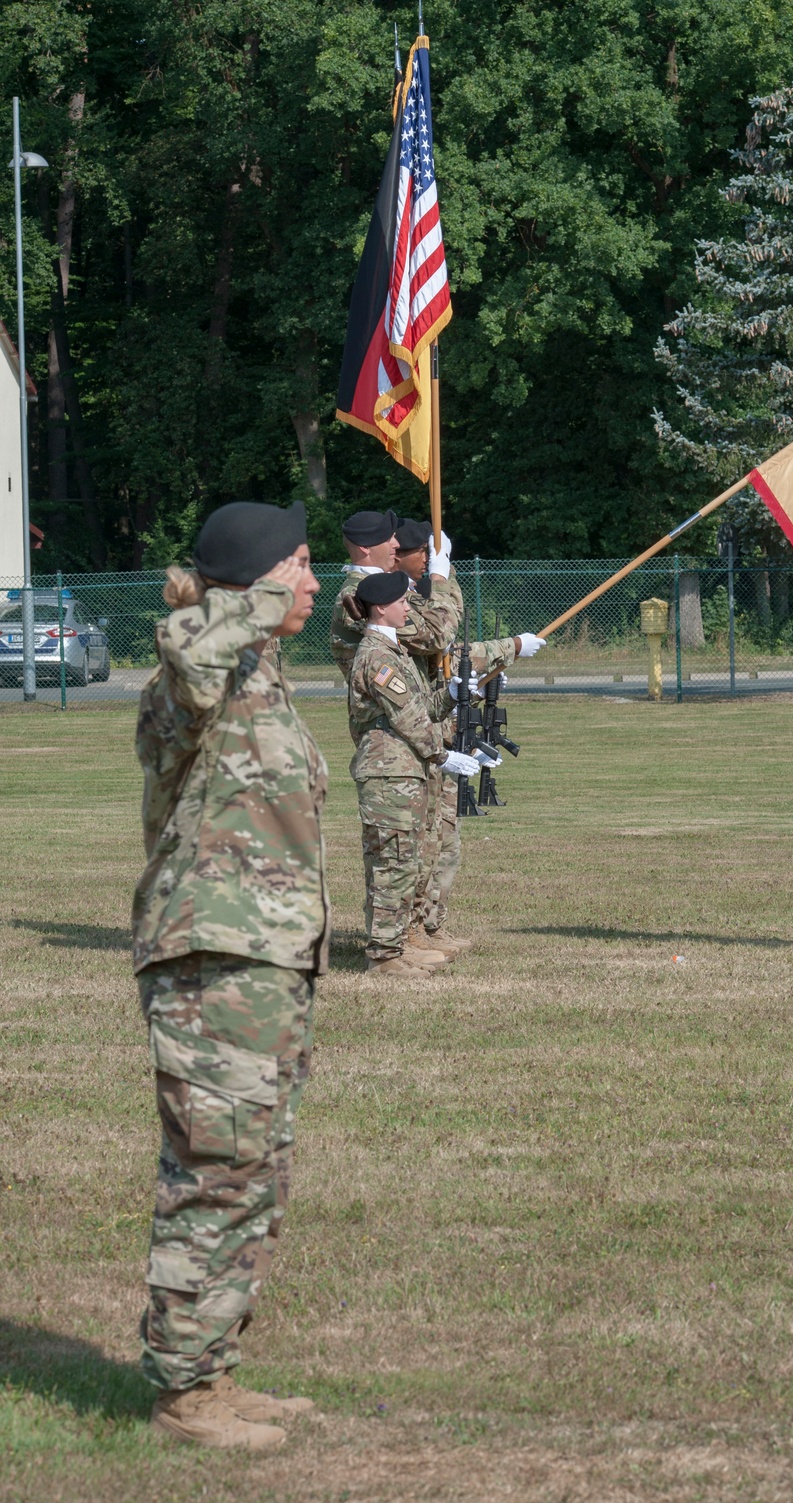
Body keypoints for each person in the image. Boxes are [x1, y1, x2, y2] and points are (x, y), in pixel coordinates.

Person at [132, 499, 331, 1452]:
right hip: (210, 961)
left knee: (254, 1173)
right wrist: (252, 604)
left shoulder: (262, 671)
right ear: (252, 580)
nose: (315, 580)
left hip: (265, 963)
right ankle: (182, 1394)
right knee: (213, 1173)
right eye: (299, 563)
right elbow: (191, 660)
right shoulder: (190, 669)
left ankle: (214, 1371)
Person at [393, 524, 546, 953]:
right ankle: (406, 935)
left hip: (438, 730)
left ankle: (429, 926)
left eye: (431, 554)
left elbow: (447, 648)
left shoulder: (412, 597)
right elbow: (439, 640)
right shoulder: (384, 600)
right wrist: (510, 645)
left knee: (445, 841)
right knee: (417, 848)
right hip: (412, 743)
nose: (426, 560)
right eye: (420, 553)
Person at [347, 569, 478, 976]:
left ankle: (400, 943)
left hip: (404, 771)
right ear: (382, 608)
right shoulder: (377, 658)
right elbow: (408, 719)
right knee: (395, 861)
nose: (409, 607)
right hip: (390, 774)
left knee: (410, 859)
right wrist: (441, 755)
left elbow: (421, 707)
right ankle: (385, 956)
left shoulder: (395, 653)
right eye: (403, 602)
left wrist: (452, 694)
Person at [329, 508, 456, 683]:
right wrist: (439, 577)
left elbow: (429, 656)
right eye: (389, 538)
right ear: (365, 547)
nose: (396, 544)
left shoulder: (383, 586)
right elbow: (438, 636)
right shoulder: (361, 593)